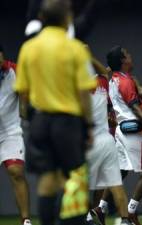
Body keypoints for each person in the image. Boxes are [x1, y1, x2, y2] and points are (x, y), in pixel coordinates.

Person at [14, 1, 97, 225]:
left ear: (42, 17)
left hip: (40, 120)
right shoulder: (74, 48)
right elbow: (83, 92)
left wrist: (31, 120)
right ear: (66, 19)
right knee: (75, 179)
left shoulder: (28, 48)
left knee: (47, 179)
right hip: (68, 123)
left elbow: (23, 91)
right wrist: (88, 125)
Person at [90, 45, 142, 225]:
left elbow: (138, 92)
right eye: (127, 54)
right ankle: (131, 211)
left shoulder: (117, 80)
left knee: (119, 172)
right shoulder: (124, 81)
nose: (131, 56)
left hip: (120, 130)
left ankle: (101, 207)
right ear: (123, 61)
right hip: (133, 132)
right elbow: (134, 105)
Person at [86, 72, 132, 225]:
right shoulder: (101, 86)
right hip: (103, 140)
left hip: (92, 140)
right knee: (112, 181)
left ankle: (90, 214)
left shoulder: (89, 87)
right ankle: (122, 219)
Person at [0, 45, 32, 225]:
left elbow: (25, 96)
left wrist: (25, 107)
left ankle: (25, 220)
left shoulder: (14, 71)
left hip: (10, 132)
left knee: (16, 171)